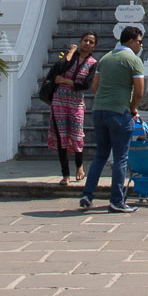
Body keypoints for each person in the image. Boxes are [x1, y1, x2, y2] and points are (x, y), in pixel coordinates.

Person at [78, 24, 146, 214]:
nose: (140, 46)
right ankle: (116, 200)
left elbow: (95, 87)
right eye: (139, 42)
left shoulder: (105, 58)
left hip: (99, 111)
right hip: (119, 112)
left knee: (100, 155)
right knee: (120, 158)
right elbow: (139, 92)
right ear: (131, 41)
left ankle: (87, 194)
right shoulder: (133, 60)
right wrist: (132, 109)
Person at [47, 31, 99, 189]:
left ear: (94, 46)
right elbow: (57, 70)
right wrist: (70, 52)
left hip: (76, 102)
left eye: (91, 42)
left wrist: (65, 81)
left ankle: (79, 167)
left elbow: (85, 85)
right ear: (80, 41)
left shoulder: (93, 63)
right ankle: (65, 174)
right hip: (59, 99)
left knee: (77, 136)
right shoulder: (69, 57)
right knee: (61, 136)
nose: (87, 44)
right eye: (85, 40)